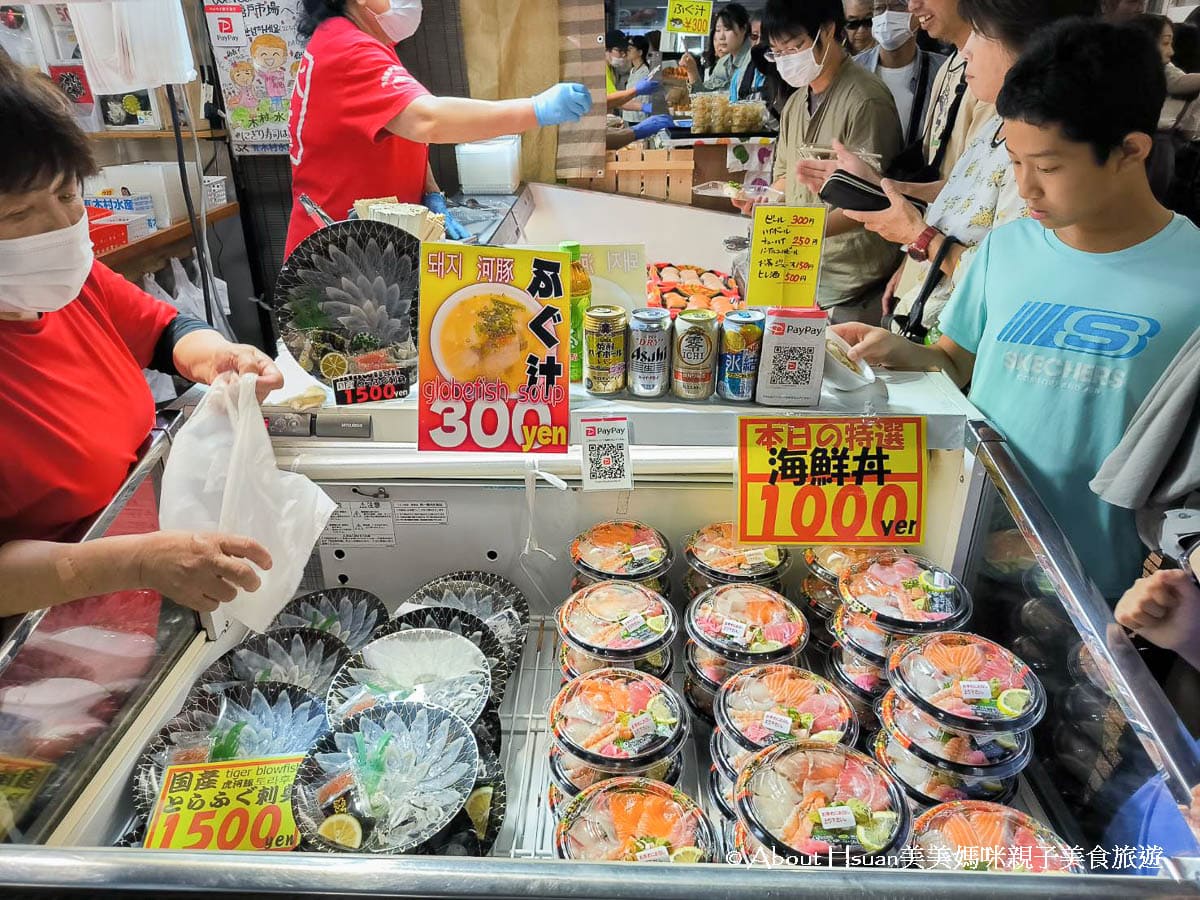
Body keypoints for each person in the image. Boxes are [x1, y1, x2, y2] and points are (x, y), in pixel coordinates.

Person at [833, 16, 1200, 602]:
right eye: (1015, 162)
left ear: (1130, 151)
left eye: (1049, 167)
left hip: (1105, 588)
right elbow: (957, 362)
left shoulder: (1192, 279)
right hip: (966, 548)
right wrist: (900, 351)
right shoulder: (1007, 249)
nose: (1025, 188)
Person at [0, 58, 284, 618]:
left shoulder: (68, 284)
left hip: (129, 605)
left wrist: (219, 358)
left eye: (67, 194)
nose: (59, 227)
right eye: (17, 214)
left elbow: (164, 331)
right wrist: (135, 561)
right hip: (36, 652)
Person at [812, 0, 1100, 337]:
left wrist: (918, 236)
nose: (966, 52)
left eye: (978, 33)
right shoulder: (995, 127)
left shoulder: (1038, 154)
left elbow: (1007, 285)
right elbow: (962, 192)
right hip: (925, 331)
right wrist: (879, 184)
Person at [286, 0, 591, 254]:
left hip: (371, 247)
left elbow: (399, 126)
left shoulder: (363, 41)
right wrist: (535, 109)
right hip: (338, 259)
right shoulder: (347, 49)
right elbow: (427, 120)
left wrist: (430, 194)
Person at [746, 0, 903, 326]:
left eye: (796, 47)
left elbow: (874, 200)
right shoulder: (795, 104)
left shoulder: (865, 100)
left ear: (828, 31)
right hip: (803, 271)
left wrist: (805, 232)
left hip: (852, 280)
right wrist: (766, 202)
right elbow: (785, 178)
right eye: (779, 52)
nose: (788, 61)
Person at [854, 0, 947, 144]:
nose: (886, 16)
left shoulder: (944, 71)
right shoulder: (852, 72)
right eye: (879, 9)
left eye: (897, 6)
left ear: (917, 12)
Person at [684, 3, 755, 98]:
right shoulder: (722, 63)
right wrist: (692, 71)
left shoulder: (754, 60)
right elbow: (703, 97)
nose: (721, 37)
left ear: (744, 29)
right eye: (718, 30)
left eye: (727, 29)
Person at [606, 30, 662, 113]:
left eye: (625, 50)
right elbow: (614, 100)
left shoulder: (610, 69)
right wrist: (643, 105)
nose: (624, 54)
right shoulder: (600, 70)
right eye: (619, 50)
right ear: (606, 48)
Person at [623, 35, 653, 125]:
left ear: (640, 52)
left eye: (630, 49)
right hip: (629, 116)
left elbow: (643, 98)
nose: (627, 51)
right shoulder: (633, 70)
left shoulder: (646, 72)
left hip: (639, 118)